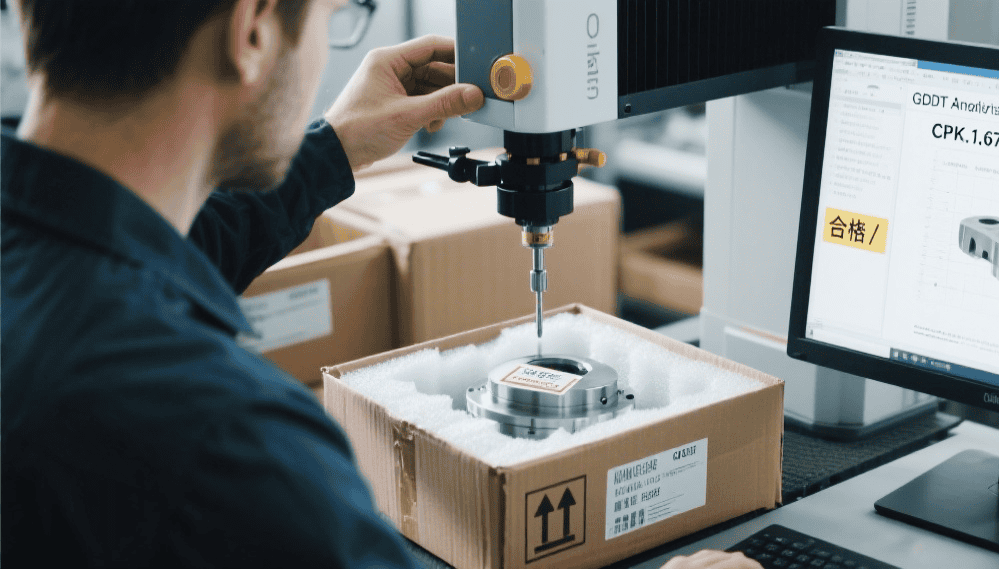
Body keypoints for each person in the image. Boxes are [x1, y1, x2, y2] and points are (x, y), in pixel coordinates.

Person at [1, 1, 759, 568]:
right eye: (335, 17)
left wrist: (333, 148)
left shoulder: (45, 270)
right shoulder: (222, 436)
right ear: (253, 31)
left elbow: (165, 243)